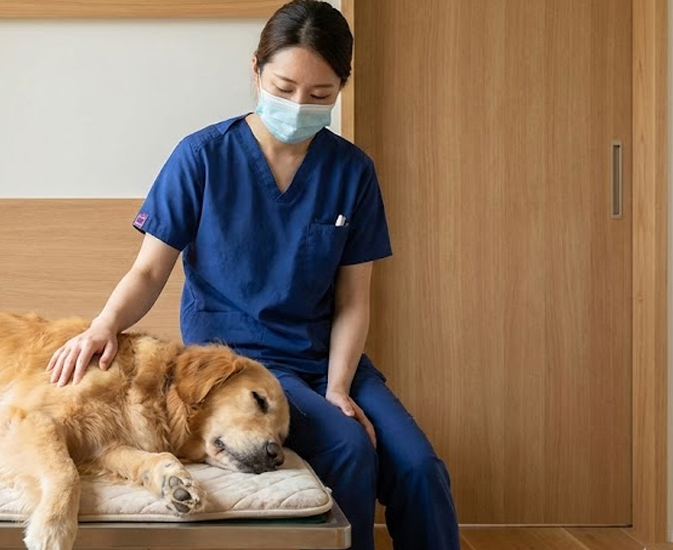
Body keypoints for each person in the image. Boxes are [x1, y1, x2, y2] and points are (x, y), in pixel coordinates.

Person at [44, 1, 460, 548]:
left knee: (420, 467)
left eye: (320, 95)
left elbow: (355, 300)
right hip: (243, 364)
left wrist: (338, 386)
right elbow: (148, 271)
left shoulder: (352, 171)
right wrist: (103, 325)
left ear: (341, 88)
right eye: (284, 87)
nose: (298, 105)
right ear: (256, 70)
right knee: (350, 447)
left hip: (329, 356)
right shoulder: (202, 157)